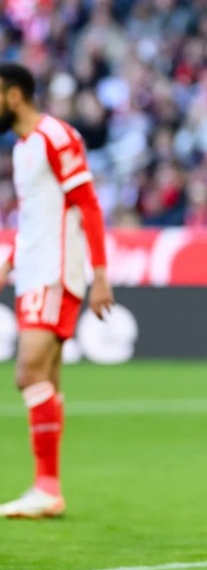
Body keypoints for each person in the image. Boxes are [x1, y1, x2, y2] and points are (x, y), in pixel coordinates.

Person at [0, 63, 113, 519]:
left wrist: (101, 274)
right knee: (46, 379)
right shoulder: (26, 148)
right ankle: (48, 487)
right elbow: (37, 219)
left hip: (54, 271)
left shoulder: (55, 136)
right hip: (33, 269)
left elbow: (87, 203)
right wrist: (9, 262)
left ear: (13, 96)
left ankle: (46, 487)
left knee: (28, 374)